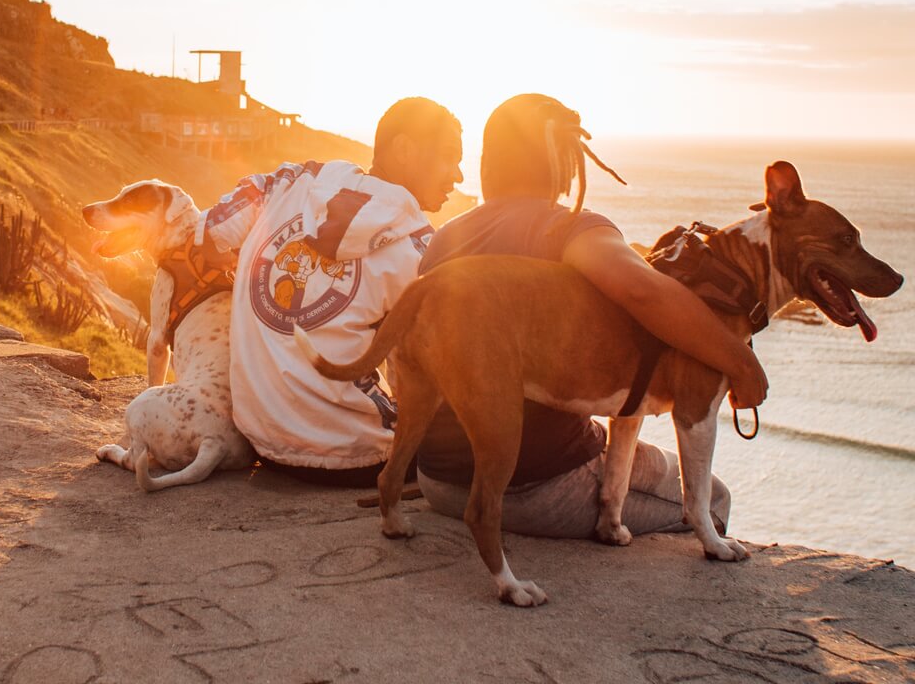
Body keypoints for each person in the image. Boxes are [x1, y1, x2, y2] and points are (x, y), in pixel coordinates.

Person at [415, 94, 768, 537]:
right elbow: (644, 290)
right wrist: (741, 362)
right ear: (564, 163)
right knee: (713, 499)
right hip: (538, 490)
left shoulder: (446, 237)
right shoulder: (567, 229)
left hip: (437, 480)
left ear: (489, 163)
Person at [198, 97, 463, 487]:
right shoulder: (419, 248)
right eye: (449, 158)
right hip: (359, 455)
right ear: (405, 150)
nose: (457, 176)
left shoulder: (290, 181)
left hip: (261, 439)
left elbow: (210, 235)